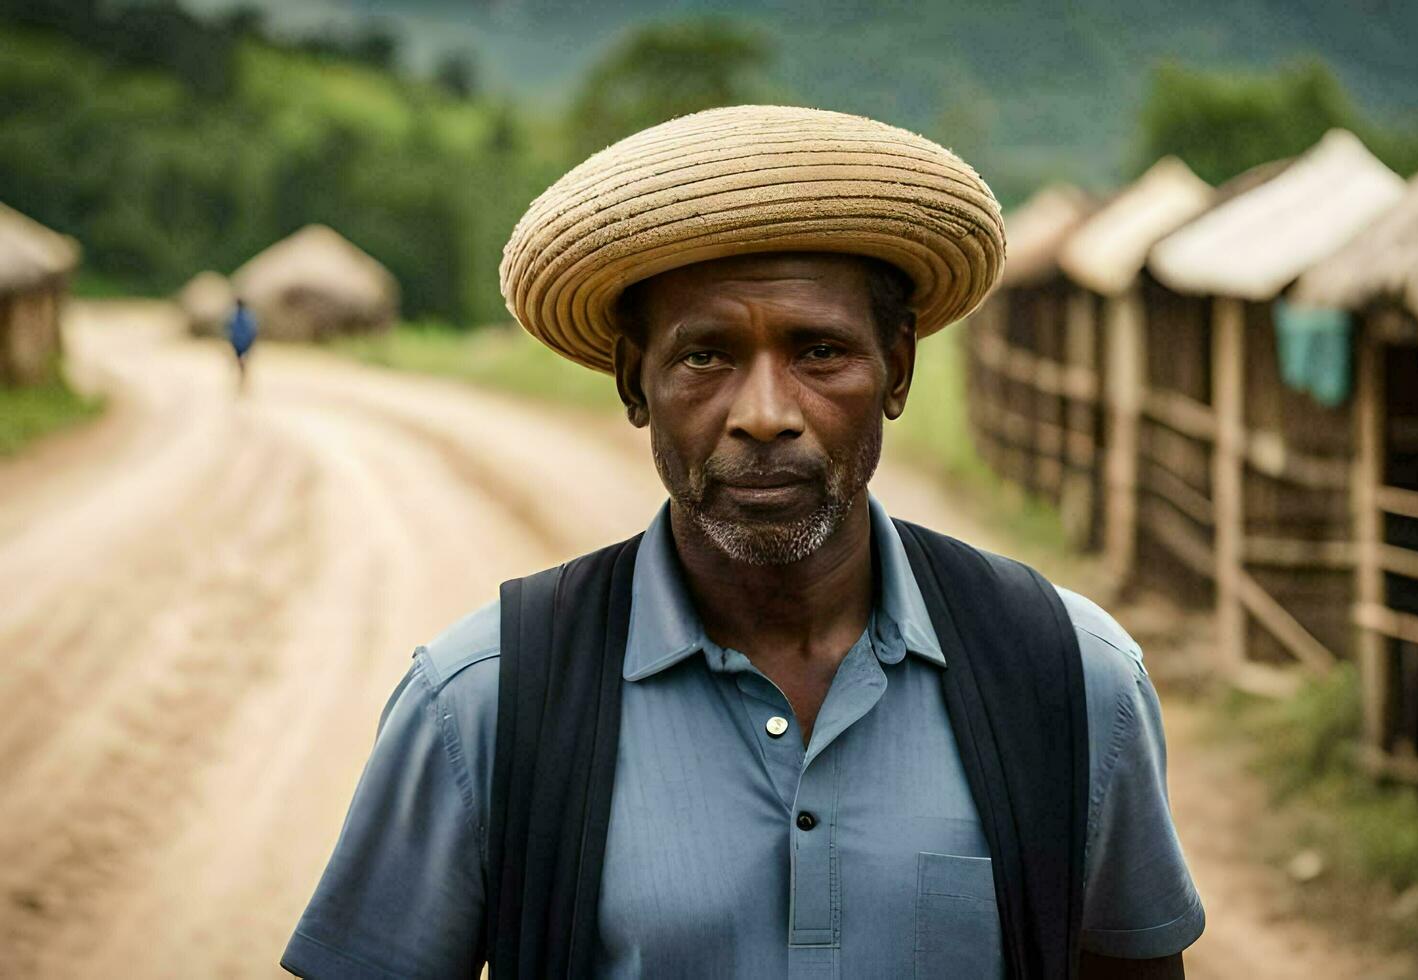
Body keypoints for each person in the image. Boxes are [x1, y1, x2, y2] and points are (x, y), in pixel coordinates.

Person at [282, 106, 1204, 979]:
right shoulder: (481, 705)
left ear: (900, 370)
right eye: (704, 356)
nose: (765, 416)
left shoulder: (1070, 678)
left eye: (820, 352)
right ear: (631, 384)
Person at [226, 297, 257, 392]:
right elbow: (253, 330)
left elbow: (229, 329)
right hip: (245, 343)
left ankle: (241, 379)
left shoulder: (233, 315)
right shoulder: (248, 316)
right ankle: (242, 379)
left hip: (238, 343)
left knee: (239, 361)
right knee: (244, 362)